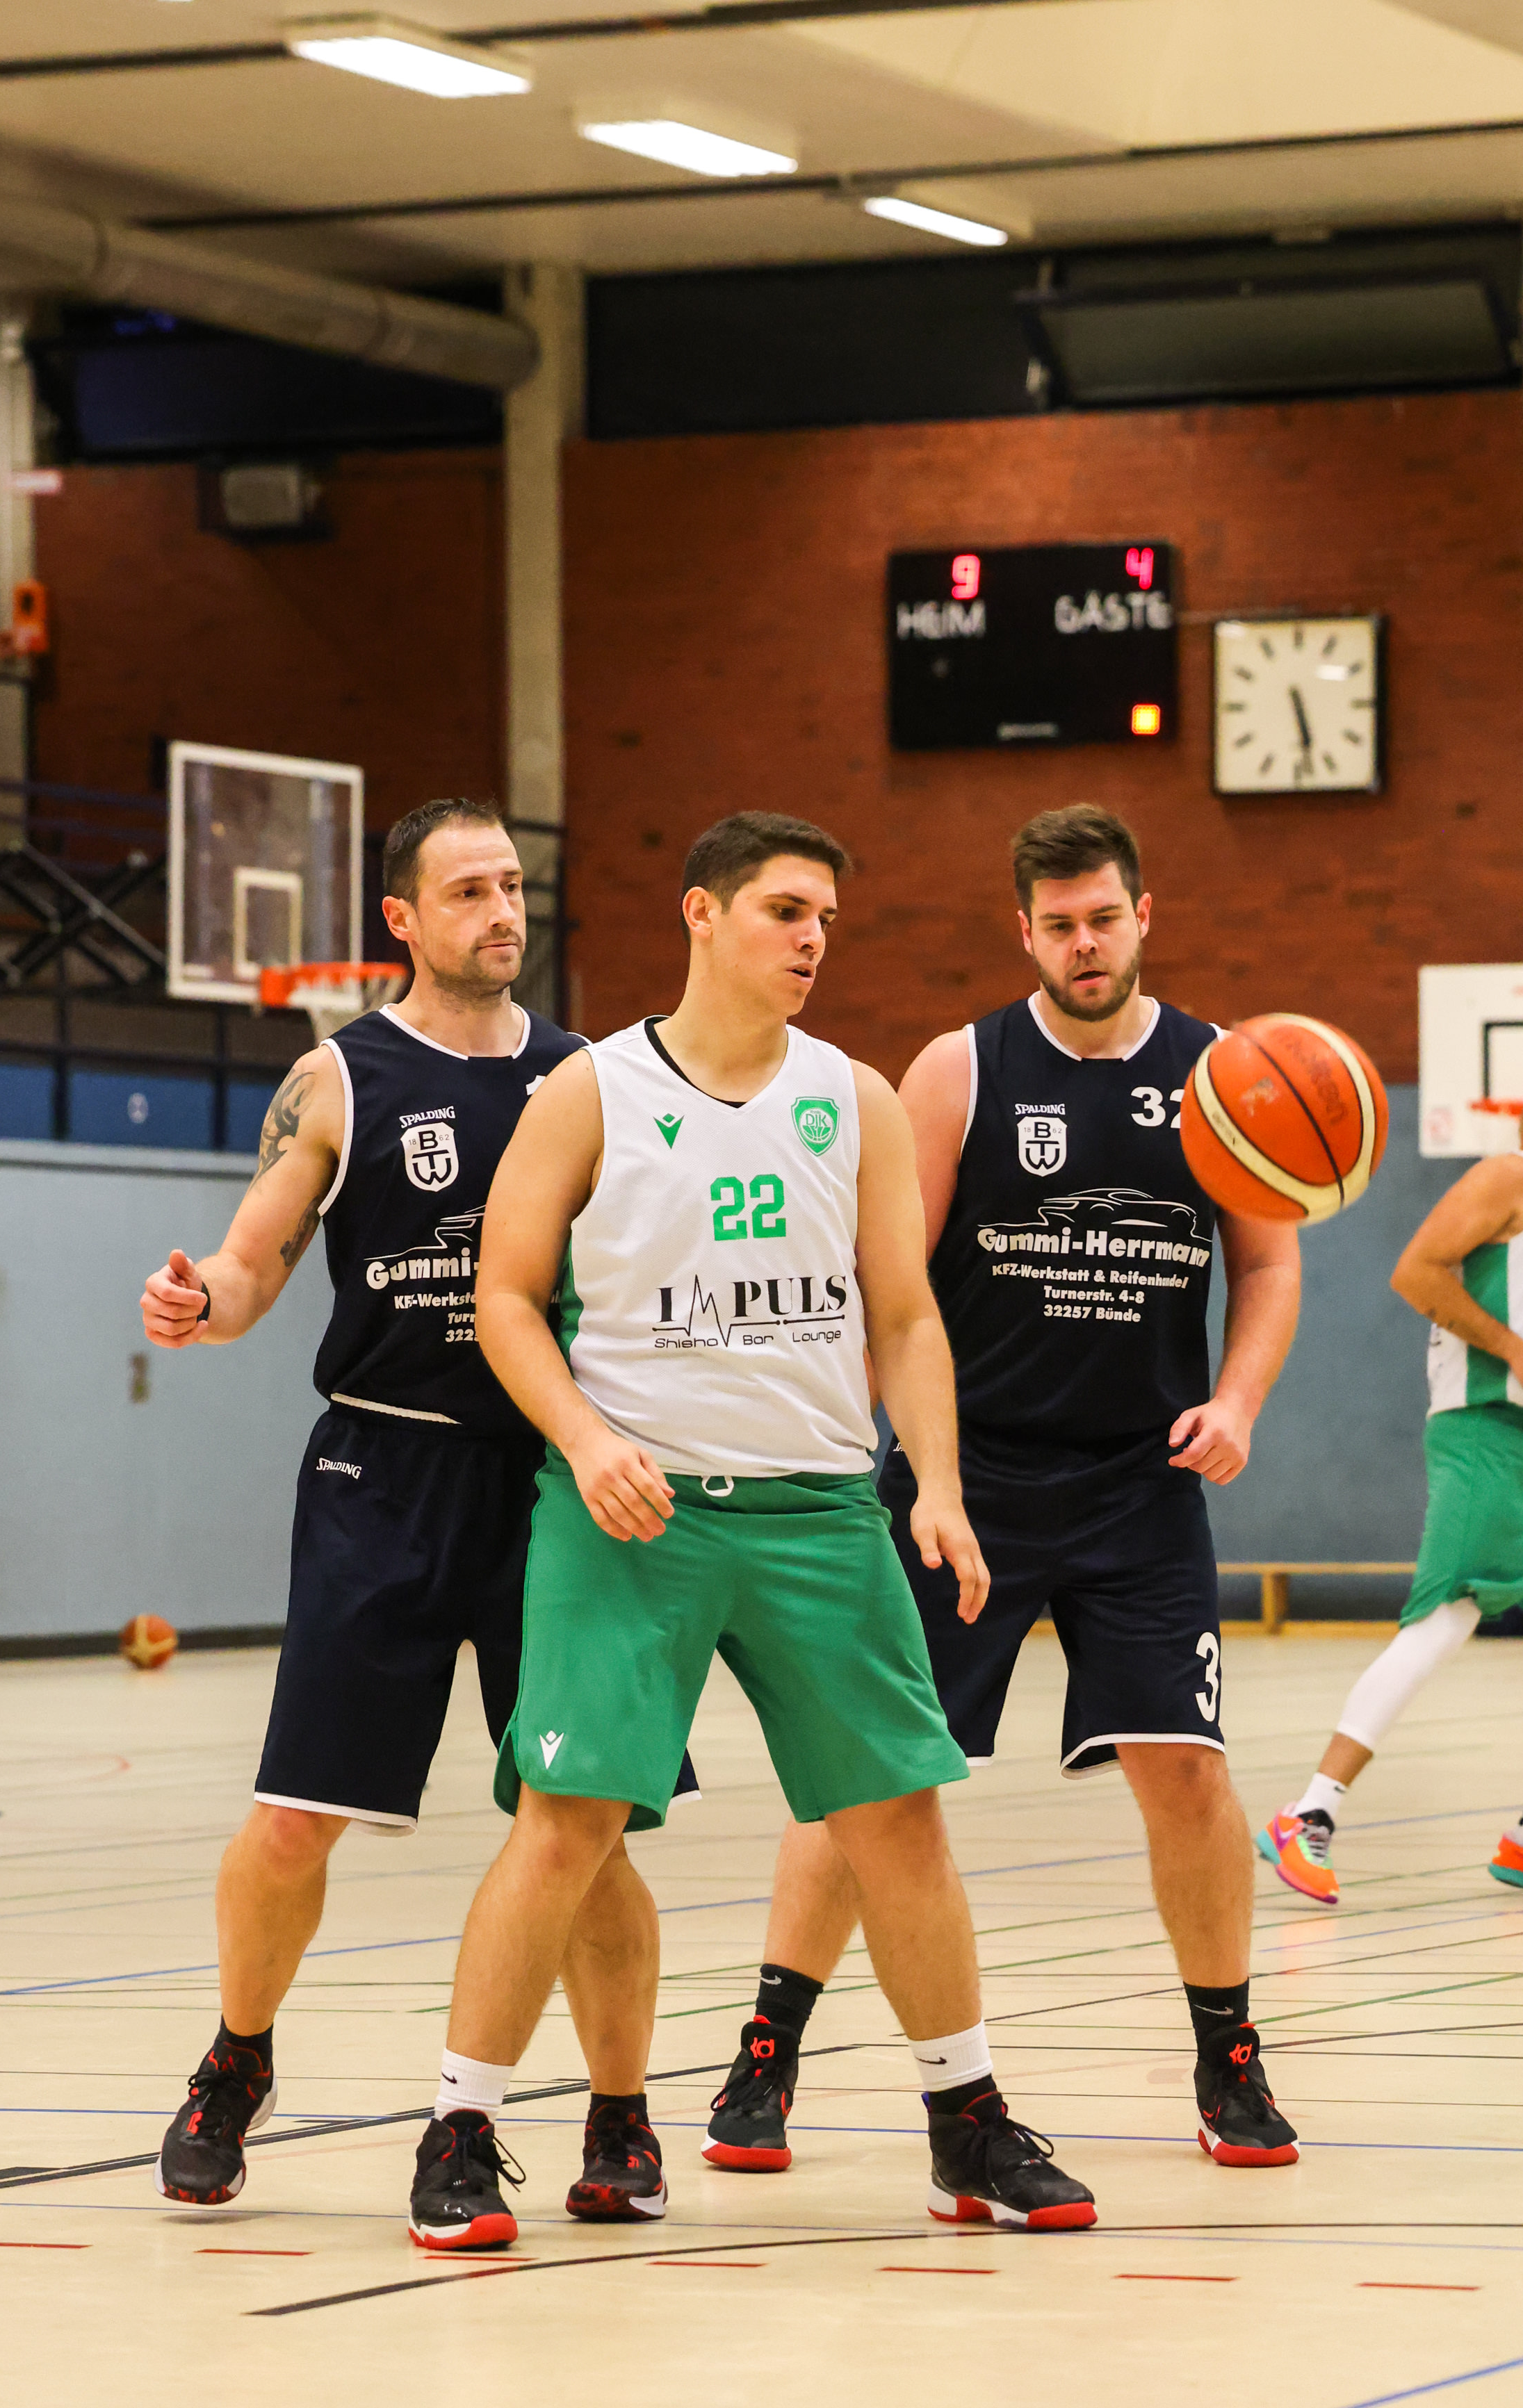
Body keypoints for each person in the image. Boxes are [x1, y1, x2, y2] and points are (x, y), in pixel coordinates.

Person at [414, 808, 1096, 2251]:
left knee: (896, 1817)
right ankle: (460, 2127)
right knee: (567, 1820)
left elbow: (904, 1313)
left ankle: (964, 2121)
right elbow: (503, 1299)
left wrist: (937, 1483)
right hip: (633, 1509)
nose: (812, 939)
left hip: (818, 1508)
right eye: (787, 910)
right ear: (702, 913)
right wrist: (585, 1439)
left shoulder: (855, 1097)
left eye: (826, 919)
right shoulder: (589, 1090)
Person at [703, 801, 1304, 2179]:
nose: (1083, 942)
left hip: (1141, 1482)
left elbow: (1267, 1265)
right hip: (961, 1482)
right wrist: (862, 1454)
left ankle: (1226, 2055)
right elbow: (888, 1285)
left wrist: (1237, 1401)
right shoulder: (958, 1069)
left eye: (1102, 917)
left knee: (1185, 1768)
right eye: (1057, 923)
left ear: (1142, 915)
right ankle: (766, 2048)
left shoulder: (1222, 1075)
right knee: (866, 1779)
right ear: (1022, 930)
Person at [140, 800, 674, 2231]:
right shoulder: (340, 1077)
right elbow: (254, 1259)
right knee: (294, 1818)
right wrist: (203, 1301)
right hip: (382, 1472)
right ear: (402, 917)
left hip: (551, 1476)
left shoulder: (589, 1075)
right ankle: (236, 2054)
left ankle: (619, 2113)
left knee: (589, 1822)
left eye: (511, 885)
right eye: (468, 889)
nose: (502, 910)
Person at [1259, 1073, 1523, 1908]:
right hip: (1489, 1433)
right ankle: (1309, 1811)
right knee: (1445, 1618)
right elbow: (1416, 1271)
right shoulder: (1510, 1176)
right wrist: (1520, 1353)